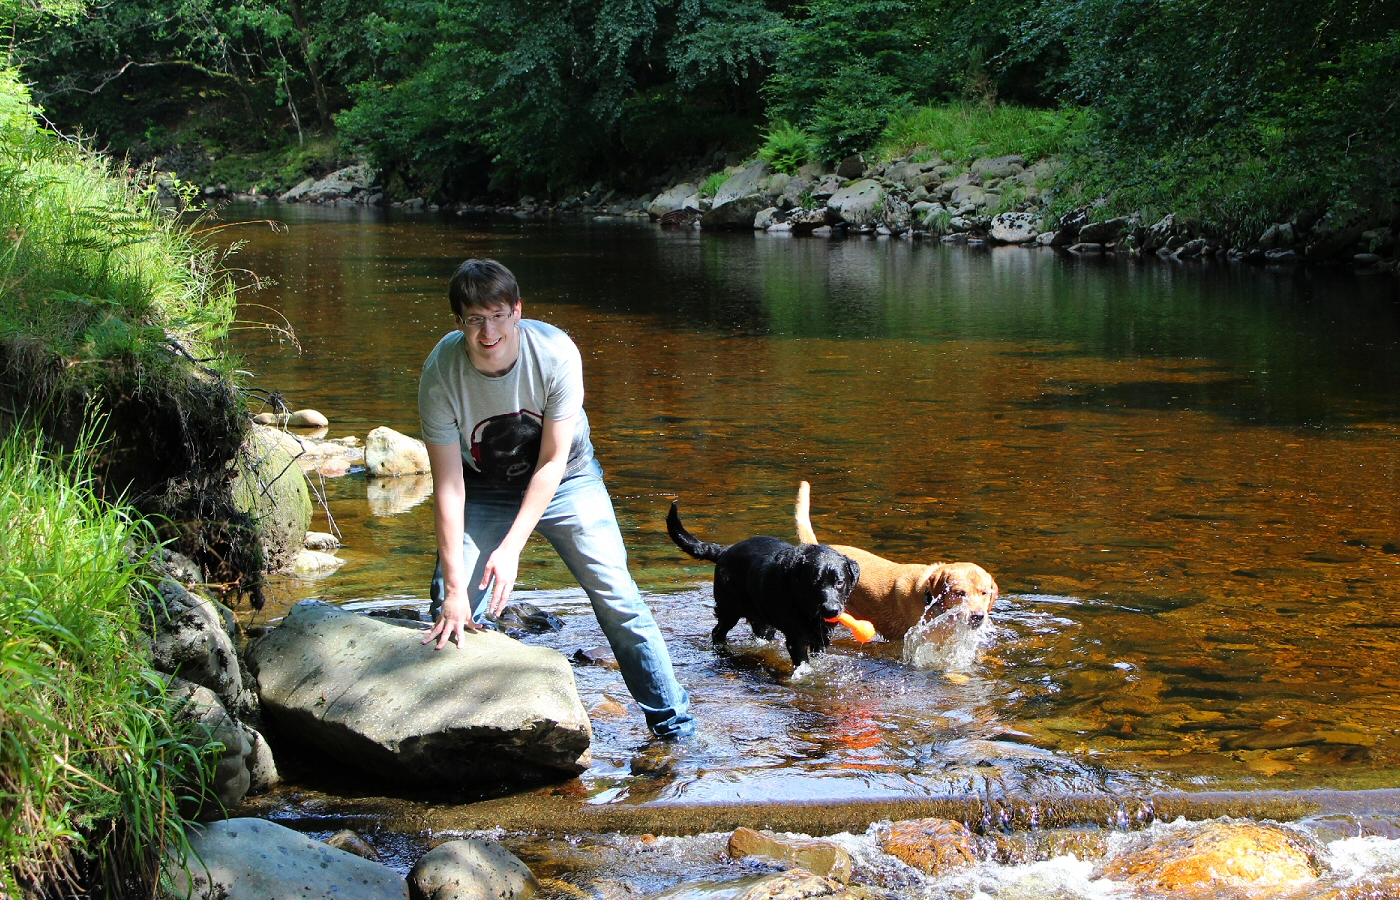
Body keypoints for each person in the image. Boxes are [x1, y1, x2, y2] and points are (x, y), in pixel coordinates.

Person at [417, 258, 694, 739]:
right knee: (452, 606)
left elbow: (551, 463)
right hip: (481, 483)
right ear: (458, 321)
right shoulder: (440, 374)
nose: (488, 332)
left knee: (618, 599)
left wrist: (510, 548)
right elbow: (448, 485)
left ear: (517, 311)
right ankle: (476, 730)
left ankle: (675, 729)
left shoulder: (556, 354)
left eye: (499, 316)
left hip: (568, 479)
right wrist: (459, 590)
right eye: (475, 320)